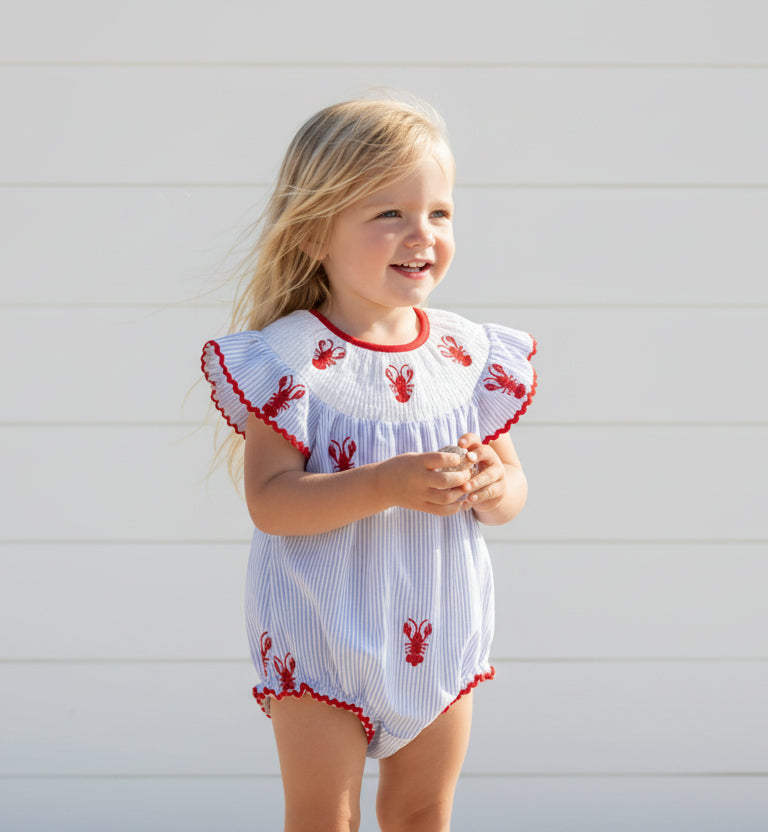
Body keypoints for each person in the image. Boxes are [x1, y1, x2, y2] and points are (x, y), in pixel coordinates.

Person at [200, 96, 537, 832]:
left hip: (438, 629)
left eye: (439, 213)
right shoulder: (288, 359)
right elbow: (271, 501)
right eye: (389, 213)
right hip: (321, 634)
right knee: (325, 817)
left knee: (422, 812)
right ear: (313, 230)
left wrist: (491, 484)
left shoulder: (466, 355)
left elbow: (512, 489)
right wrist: (384, 483)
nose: (422, 235)